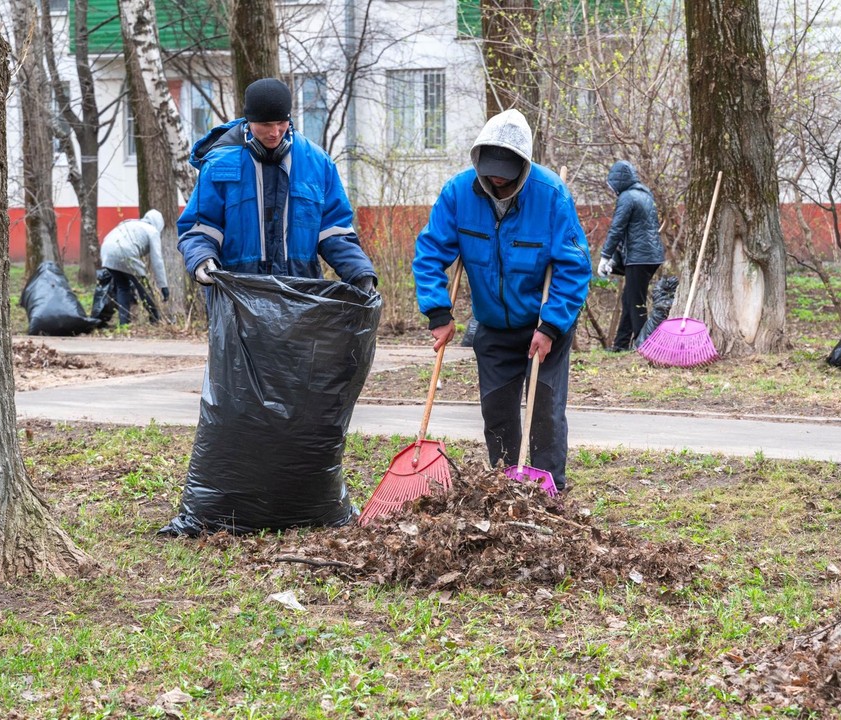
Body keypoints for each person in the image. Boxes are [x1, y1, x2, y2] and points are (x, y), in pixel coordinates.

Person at [413, 109, 591, 492]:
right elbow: (429, 253)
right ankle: (504, 484)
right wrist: (438, 311)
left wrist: (551, 326)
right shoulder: (458, 194)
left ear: (523, 168)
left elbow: (574, 268)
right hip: (492, 324)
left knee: (544, 409)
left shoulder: (551, 196)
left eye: (506, 174)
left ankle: (549, 490)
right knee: (497, 410)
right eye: (490, 170)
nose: (497, 179)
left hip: (543, 321)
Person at [177, 77, 377, 291]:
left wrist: (360, 272)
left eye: (281, 123)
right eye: (265, 124)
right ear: (249, 121)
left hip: (302, 297)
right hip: (237, 298)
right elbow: (201, 227)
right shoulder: (219, 165)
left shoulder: (317, 163)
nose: (274, 133)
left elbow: (335, 231)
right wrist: (201, 258)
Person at [596, 160, 665, 351]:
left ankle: (645, 346)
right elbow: (634, 233)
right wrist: (615, 259)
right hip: (651, 257)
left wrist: (605, 256)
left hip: (639, 258)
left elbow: (617, 229)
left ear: (618, 181)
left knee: (636, 302)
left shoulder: (627, 197)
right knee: (629, 299)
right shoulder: (645, 194)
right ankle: (620, 345)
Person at [99, 209, 169, 325]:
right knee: (144, 287)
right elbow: (157, 260)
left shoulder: (129, 223)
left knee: (122, 287)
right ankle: (155, 319)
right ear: (159, 224)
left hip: (106, 251)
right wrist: (163, 285)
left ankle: (123, 323)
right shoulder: (152, 231)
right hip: (126, 253)